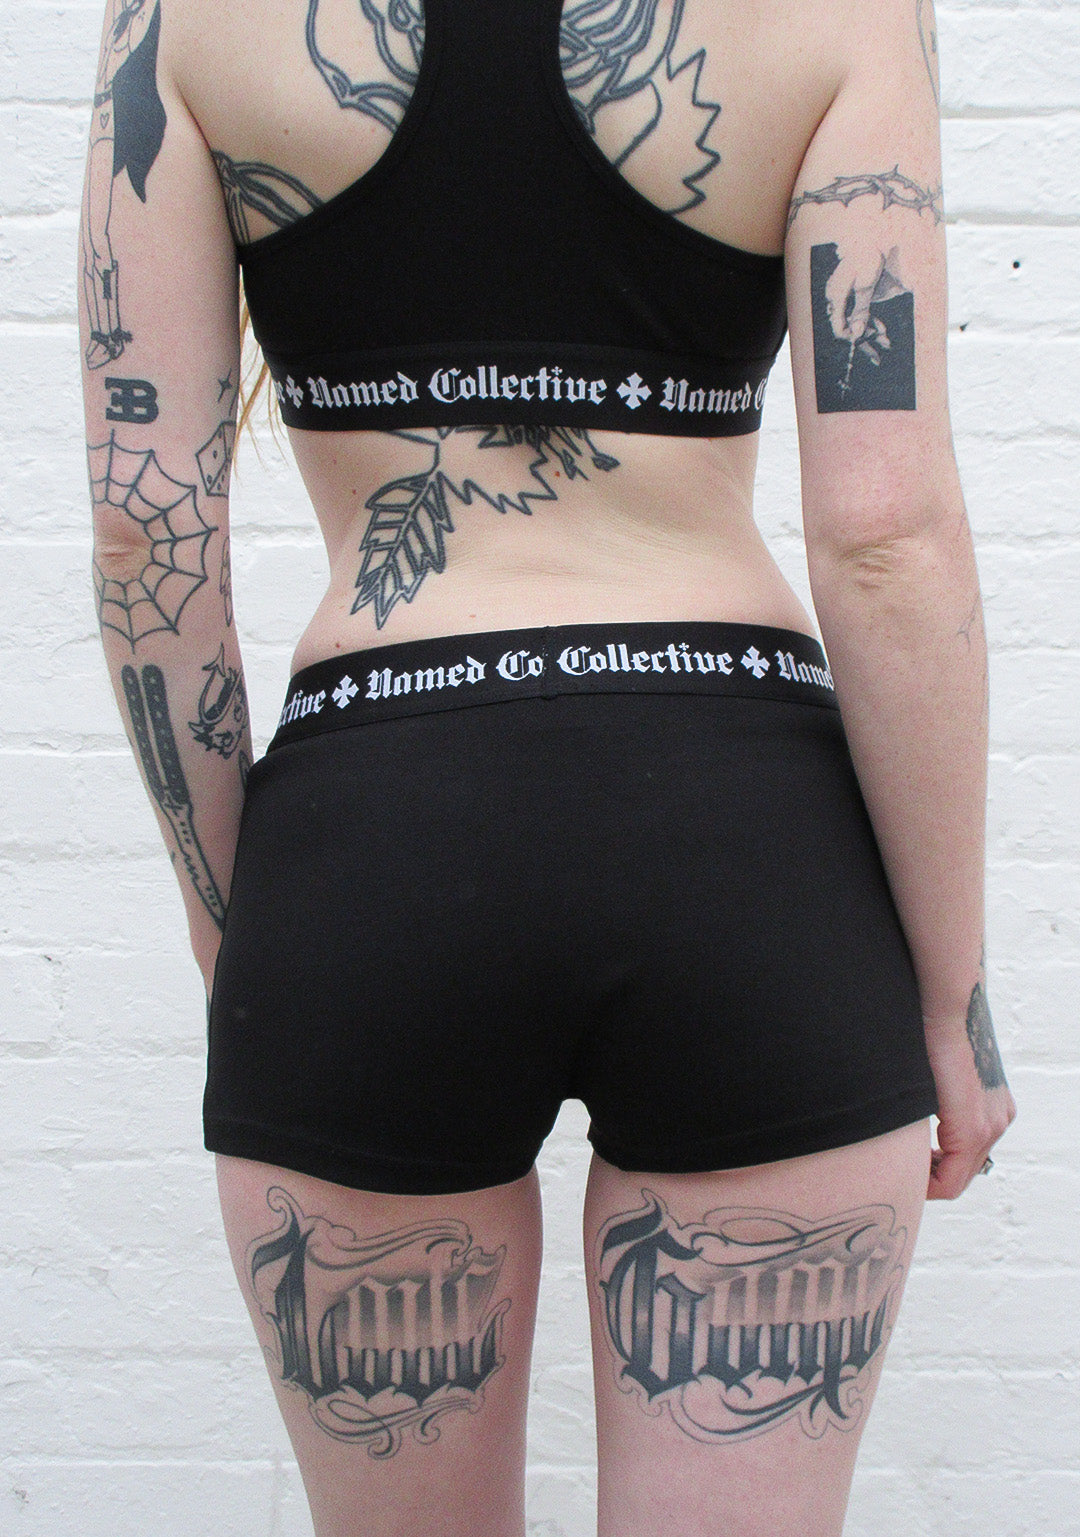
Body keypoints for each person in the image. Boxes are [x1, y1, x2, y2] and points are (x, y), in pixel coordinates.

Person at [80, 1, 1016, 1532]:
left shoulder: (178, 21)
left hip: (373, 837)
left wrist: (239, 922)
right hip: (745, 837)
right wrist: (947, 988)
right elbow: (885, 532)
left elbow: (146, 531)